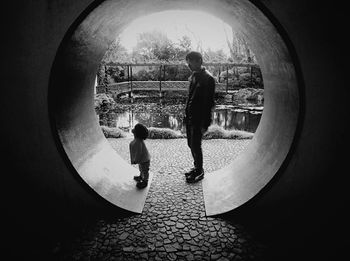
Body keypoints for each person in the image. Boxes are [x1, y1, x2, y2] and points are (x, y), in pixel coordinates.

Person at [183, 51, 216, 183]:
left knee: (196, 145)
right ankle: (196, 167)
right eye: (188, 62)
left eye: (190, 62)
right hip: (190, 117)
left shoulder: (208, 78)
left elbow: (209, 103)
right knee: (191, 144)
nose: (188, 65)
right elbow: (189, 97)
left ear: (198, 61)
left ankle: (200, 171)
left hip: (199, 119)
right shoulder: (194, 76)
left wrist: (205, 123)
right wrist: (185, 115)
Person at [129, 123, 151, 189]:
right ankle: (141, 177)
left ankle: (145, 181)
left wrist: (136, 160)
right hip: (142, 160)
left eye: (135, 129)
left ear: (137, 133)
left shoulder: (138, 142)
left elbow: (139, 152)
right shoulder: (137, 139)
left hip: (145, 160)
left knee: (145, 171)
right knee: (141, 169)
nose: (133, 130)